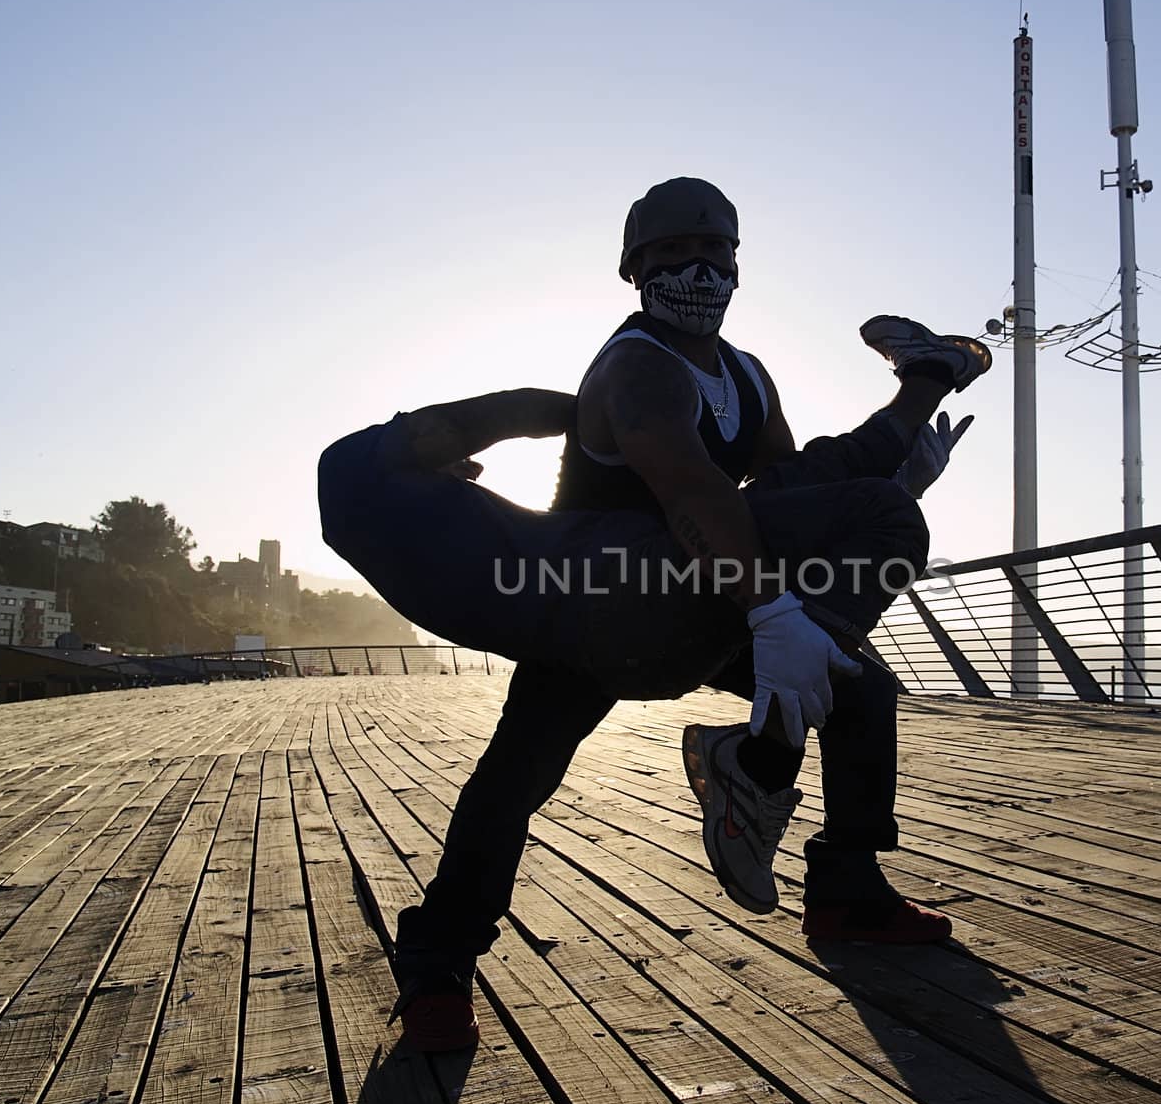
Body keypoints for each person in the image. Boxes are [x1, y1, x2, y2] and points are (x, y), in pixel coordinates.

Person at [317, 177, 990, 1051]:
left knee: (860, 688)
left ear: (740, 267)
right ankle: (440, 969)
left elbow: (780, 494)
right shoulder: (635, 367)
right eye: (675, 256)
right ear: (634, 269)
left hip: (694, 595)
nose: (699, 271)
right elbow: (692, 489)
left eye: (716, 255)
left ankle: (848, 891)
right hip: (597, 605)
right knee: (518, 778)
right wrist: (778, 611)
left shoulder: (746, 377)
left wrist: (895, 481)